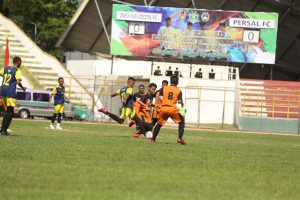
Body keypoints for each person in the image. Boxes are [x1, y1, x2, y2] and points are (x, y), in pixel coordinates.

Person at [151, 76, 186, 145]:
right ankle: (179, 138)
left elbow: (157, 93)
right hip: (172, 109)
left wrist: (155, 103)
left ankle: (153, 139)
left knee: (159, 124)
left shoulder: (165, 88)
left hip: (163, 108)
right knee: (181, 122)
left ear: (170, 81)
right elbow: (179, 101)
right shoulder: (178, 90)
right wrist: (182, 103)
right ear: (177, 82)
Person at [0, 56, 26, 136]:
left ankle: (2, 129)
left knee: (8, 111)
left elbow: (1, 74)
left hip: (3, 90)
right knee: (10, 112)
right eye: (20, 62)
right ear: (18, 62)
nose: (21, 64)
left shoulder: (5, 68)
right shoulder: (17, 70)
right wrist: (23, 88)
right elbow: (18, 81)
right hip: (10, 92)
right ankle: (4, 130)